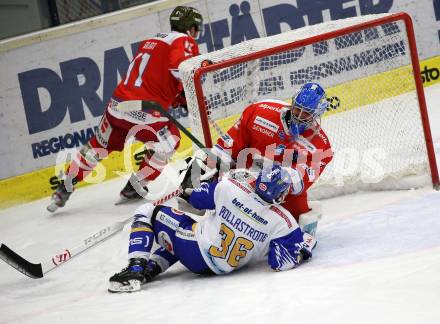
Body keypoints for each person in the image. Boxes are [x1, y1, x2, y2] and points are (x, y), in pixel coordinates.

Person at [47, 6, 203, 212]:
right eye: (195, 28)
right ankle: (135, 187)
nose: (196, 33)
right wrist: (192, 92)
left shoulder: (153, 40)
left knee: (96, 148)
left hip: (117, 106)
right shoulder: (184, 41)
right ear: (190, 28)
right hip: (144, 111)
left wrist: (176, 98)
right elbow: (179, 70)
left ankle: (64, 188)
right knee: (171, 140)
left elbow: (152, 78)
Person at [108, 165, 316, 293]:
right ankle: (151, 268)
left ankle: (134, 270)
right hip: (220, 269)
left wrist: (191, 187)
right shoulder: (284, 222)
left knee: (147, 211)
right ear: (281, 195)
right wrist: (304, 246)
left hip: (194, 250)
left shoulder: (229, 187)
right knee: (190, 232)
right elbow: (280, 263)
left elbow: (196, 199)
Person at [185, 82, 333, 236]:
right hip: (243, 179)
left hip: (281, 194)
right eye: (297, 108)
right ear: (293, 102)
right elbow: (227, 147)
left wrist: (281, 180)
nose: (299, 116)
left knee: (296, 230)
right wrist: (207, 167)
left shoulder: (321, 146)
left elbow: (300, 182)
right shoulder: (260, 112)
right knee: (202, 194)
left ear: (317, 113)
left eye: (306, 113)